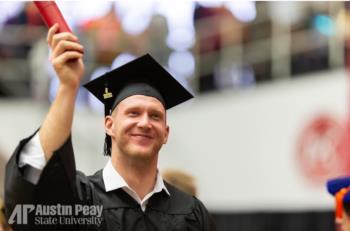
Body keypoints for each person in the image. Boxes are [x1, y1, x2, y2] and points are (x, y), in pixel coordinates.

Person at [4, 24, 214, 230]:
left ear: (166, 133)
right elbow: (26, 192)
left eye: (155, 116)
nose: (144, 122)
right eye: (133, 113)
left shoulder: (191, 213)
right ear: (109, 125)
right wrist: (68, 87)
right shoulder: (79, 202)